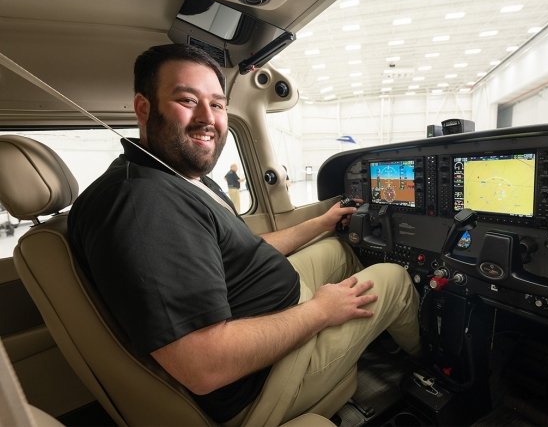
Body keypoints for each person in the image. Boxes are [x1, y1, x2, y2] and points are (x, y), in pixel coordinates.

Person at [67, 43, 421, 426]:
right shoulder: (143, 206)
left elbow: (242, 252)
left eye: (217, 105)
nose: (208, 118)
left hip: (260, 310)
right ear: (144, 107)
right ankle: (429, 367)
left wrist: (321, 223)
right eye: (187, 100)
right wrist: (320, 311)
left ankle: (375, 329)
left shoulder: (174, 178)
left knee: (335, 249)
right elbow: (205, 365)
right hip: (262, 381)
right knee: (394, 279)